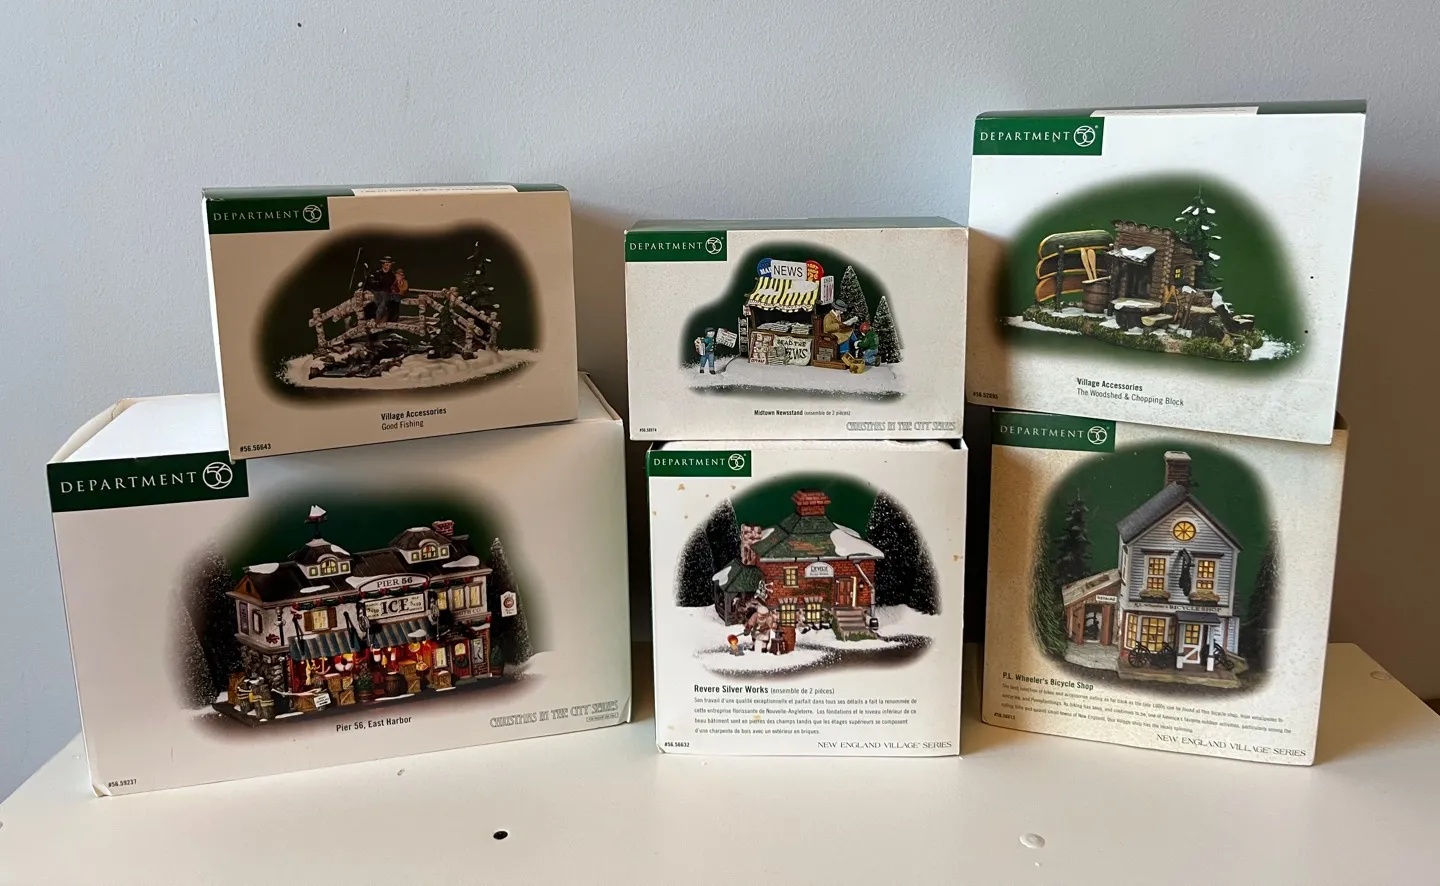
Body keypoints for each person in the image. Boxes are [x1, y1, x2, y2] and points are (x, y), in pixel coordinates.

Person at [364, 256, 398, 324]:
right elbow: (372, 284)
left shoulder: (391, 275)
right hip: (377, 292)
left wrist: (378, 282)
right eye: (387, 265)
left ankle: (377, 322)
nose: (388, 267)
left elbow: (386, 284)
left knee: (382, 306)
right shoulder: (377, 273)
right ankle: (382, 317)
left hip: (386, 293)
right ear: (383, 265)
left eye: (390, 265)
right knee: (377, 304)